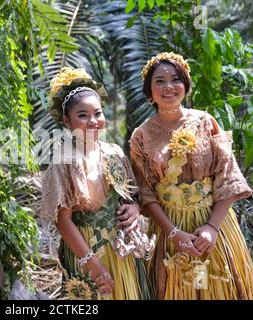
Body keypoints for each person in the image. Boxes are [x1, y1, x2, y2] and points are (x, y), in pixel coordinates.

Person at [129, 52, 253, 299]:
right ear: (149, 91)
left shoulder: (206, 122)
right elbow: (145, 192)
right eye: (159, 81)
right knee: (178, 288)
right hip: (169, 231)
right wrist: (173, 233)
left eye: (175, 79)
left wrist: (212, 227)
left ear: (186, 86)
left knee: (214, 286)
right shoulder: (141, 136)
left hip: (214, 225)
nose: (168, 86)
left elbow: (227, 177)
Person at [40, 67, 154, 300]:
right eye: (82, 115)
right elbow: (63, 221)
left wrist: (133, 209)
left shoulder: (113, 152)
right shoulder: (64, 161)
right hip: (87, 250)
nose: (93, 121)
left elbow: (130, 196)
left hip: (123, 247)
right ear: (66, 121)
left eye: (98, 113)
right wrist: (92, 264)